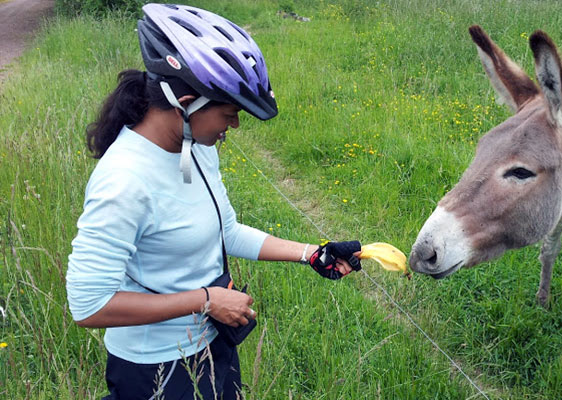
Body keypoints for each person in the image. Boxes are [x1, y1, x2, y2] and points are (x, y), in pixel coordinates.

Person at [65, 4, 361, 399]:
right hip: (154, 368)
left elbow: (225, 230)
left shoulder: (195, 146)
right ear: (185, 103)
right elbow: (88, 306)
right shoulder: (124, 182)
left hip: (211, 343)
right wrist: (205, 300)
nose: (234, 125)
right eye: (229, 113)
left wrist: (311, 253)